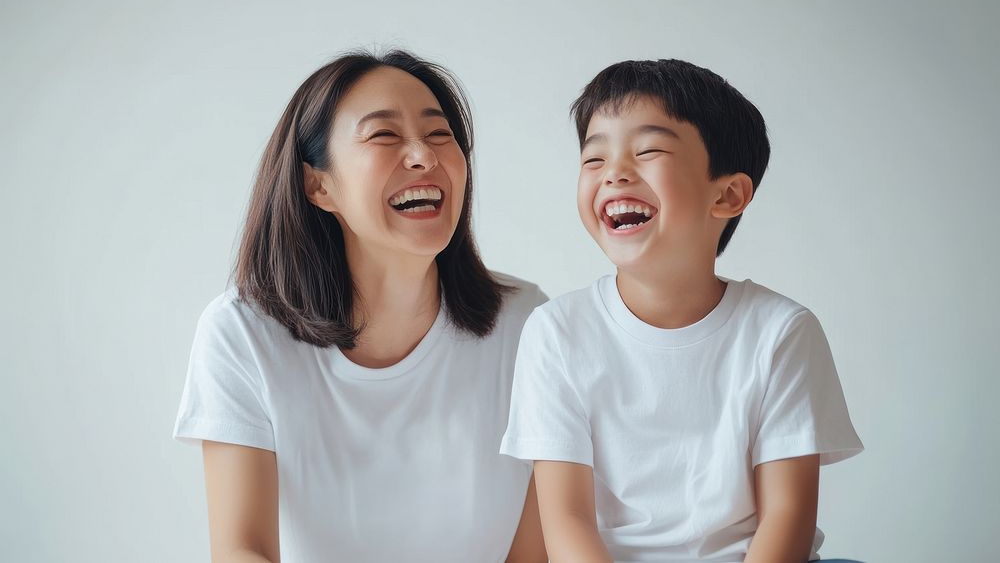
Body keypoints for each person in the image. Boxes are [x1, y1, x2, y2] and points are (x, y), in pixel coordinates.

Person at [174, 50, 548, 563]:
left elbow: (534, 552)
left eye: (440, 135)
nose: (424, 155)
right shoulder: (241, 332)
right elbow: (242, 549)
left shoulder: (527, 322)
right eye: (384, 135)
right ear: (319, 185)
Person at [500, 59, 864, 563]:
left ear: (728, 194)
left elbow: (788, 518)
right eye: (593, 159)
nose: (615, 173)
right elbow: (565, 519)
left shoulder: (781, 332)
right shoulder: (557, 331)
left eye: (648, 151)